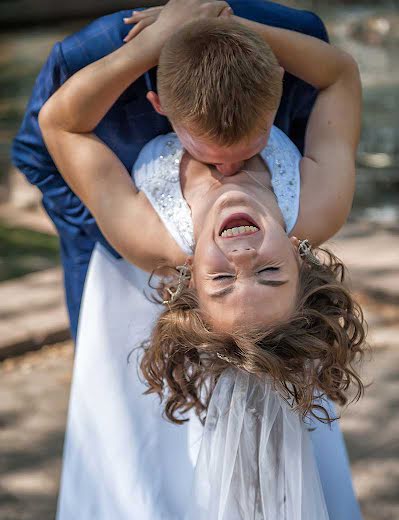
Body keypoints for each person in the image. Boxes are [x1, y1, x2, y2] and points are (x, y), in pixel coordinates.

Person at [39, 6, 384, 520]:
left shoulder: (150, 239)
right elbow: (340, 75)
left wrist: (159, 45)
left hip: (129, 307)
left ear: (186, 283)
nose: (244, 258)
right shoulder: (319, 206)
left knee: (150, 459)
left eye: (222, 282)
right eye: (271, 273)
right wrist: (235, 29)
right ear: (302, 263)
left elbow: (61, 127)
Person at [12, 0, 329, 339]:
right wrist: (115, 230)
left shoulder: (299, 36)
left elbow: (308, 127)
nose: (229, 169)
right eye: (266, 271)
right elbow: (36, 155)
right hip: (111, 259)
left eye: (253, 147)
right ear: (157, 103)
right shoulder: (85, 56)